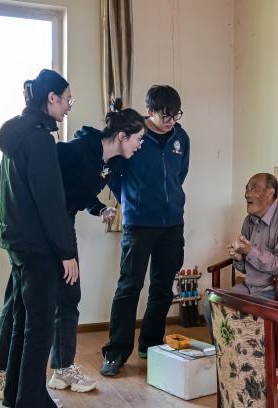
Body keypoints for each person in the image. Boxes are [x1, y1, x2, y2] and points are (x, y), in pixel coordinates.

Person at [0, 97, 146, 400]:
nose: (140, 145)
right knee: (19, 301)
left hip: (62, 226)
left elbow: (79, 191)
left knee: (69, 296)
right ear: (122, 136)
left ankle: (61, 368)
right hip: (40, 229)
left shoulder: (112, 163)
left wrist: (99, 209)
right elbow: (40, 179)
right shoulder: (75, 149)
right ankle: (1, 369)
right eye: (138, 139)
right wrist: (59, 246)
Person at [0, 69, 78, 407]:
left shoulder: (16, 134)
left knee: (23, 322)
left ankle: (16, 394)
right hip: (38, 247)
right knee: (40, 326)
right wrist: (66, 251)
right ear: (51, 98)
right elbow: (50, 200)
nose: (68, 105)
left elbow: (5, 186)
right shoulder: (40, 139)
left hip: (16, 242)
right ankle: (31, 399)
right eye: (67, 99)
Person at [100, 85, 189, 376]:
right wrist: (131, 199)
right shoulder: (133, 135)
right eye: (166, 116)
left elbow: (180, 174)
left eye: (176, 115)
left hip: (172, 224)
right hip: (138, 224)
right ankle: (116, 352)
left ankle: (150, 345)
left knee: (163, 289)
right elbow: (114, 175)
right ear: (149, 112)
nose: (171, 121)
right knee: (129, 288)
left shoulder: (181, 137)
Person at [204, 173, 278, 339]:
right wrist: (239, 258)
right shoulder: (249, 221)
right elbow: (247, 266)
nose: (247, 194)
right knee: (211, 302)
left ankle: (246, 354)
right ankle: (222, 352)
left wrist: (250, 251)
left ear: (270, 193)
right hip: (253, 287)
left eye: (253, 189)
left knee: (241, 313)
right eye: (247, 188)